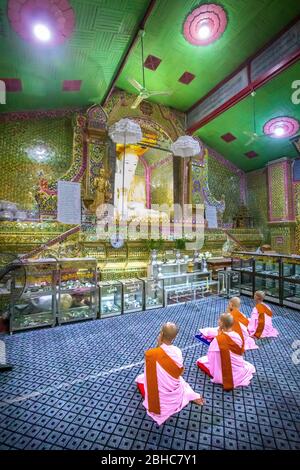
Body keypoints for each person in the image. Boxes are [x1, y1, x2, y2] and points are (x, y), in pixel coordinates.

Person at [136, 322, 205, 425]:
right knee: (181, 381)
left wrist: (158, 345)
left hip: (160, 395)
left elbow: (149, 374)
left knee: (140, 378)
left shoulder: (151, 354)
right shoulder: (177, 351)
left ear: (161, 334)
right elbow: (179, 372)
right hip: (174, 389)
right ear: (175, 336)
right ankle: (190, 395)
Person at [197, 313, 256, 391]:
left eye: (219, 319)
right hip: (238, 365)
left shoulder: (219, 339)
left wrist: (219, 336)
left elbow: (211, 356)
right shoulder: (237, 335)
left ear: (221, 323)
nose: (218, 320)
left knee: (199, 361)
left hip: (225, 371)